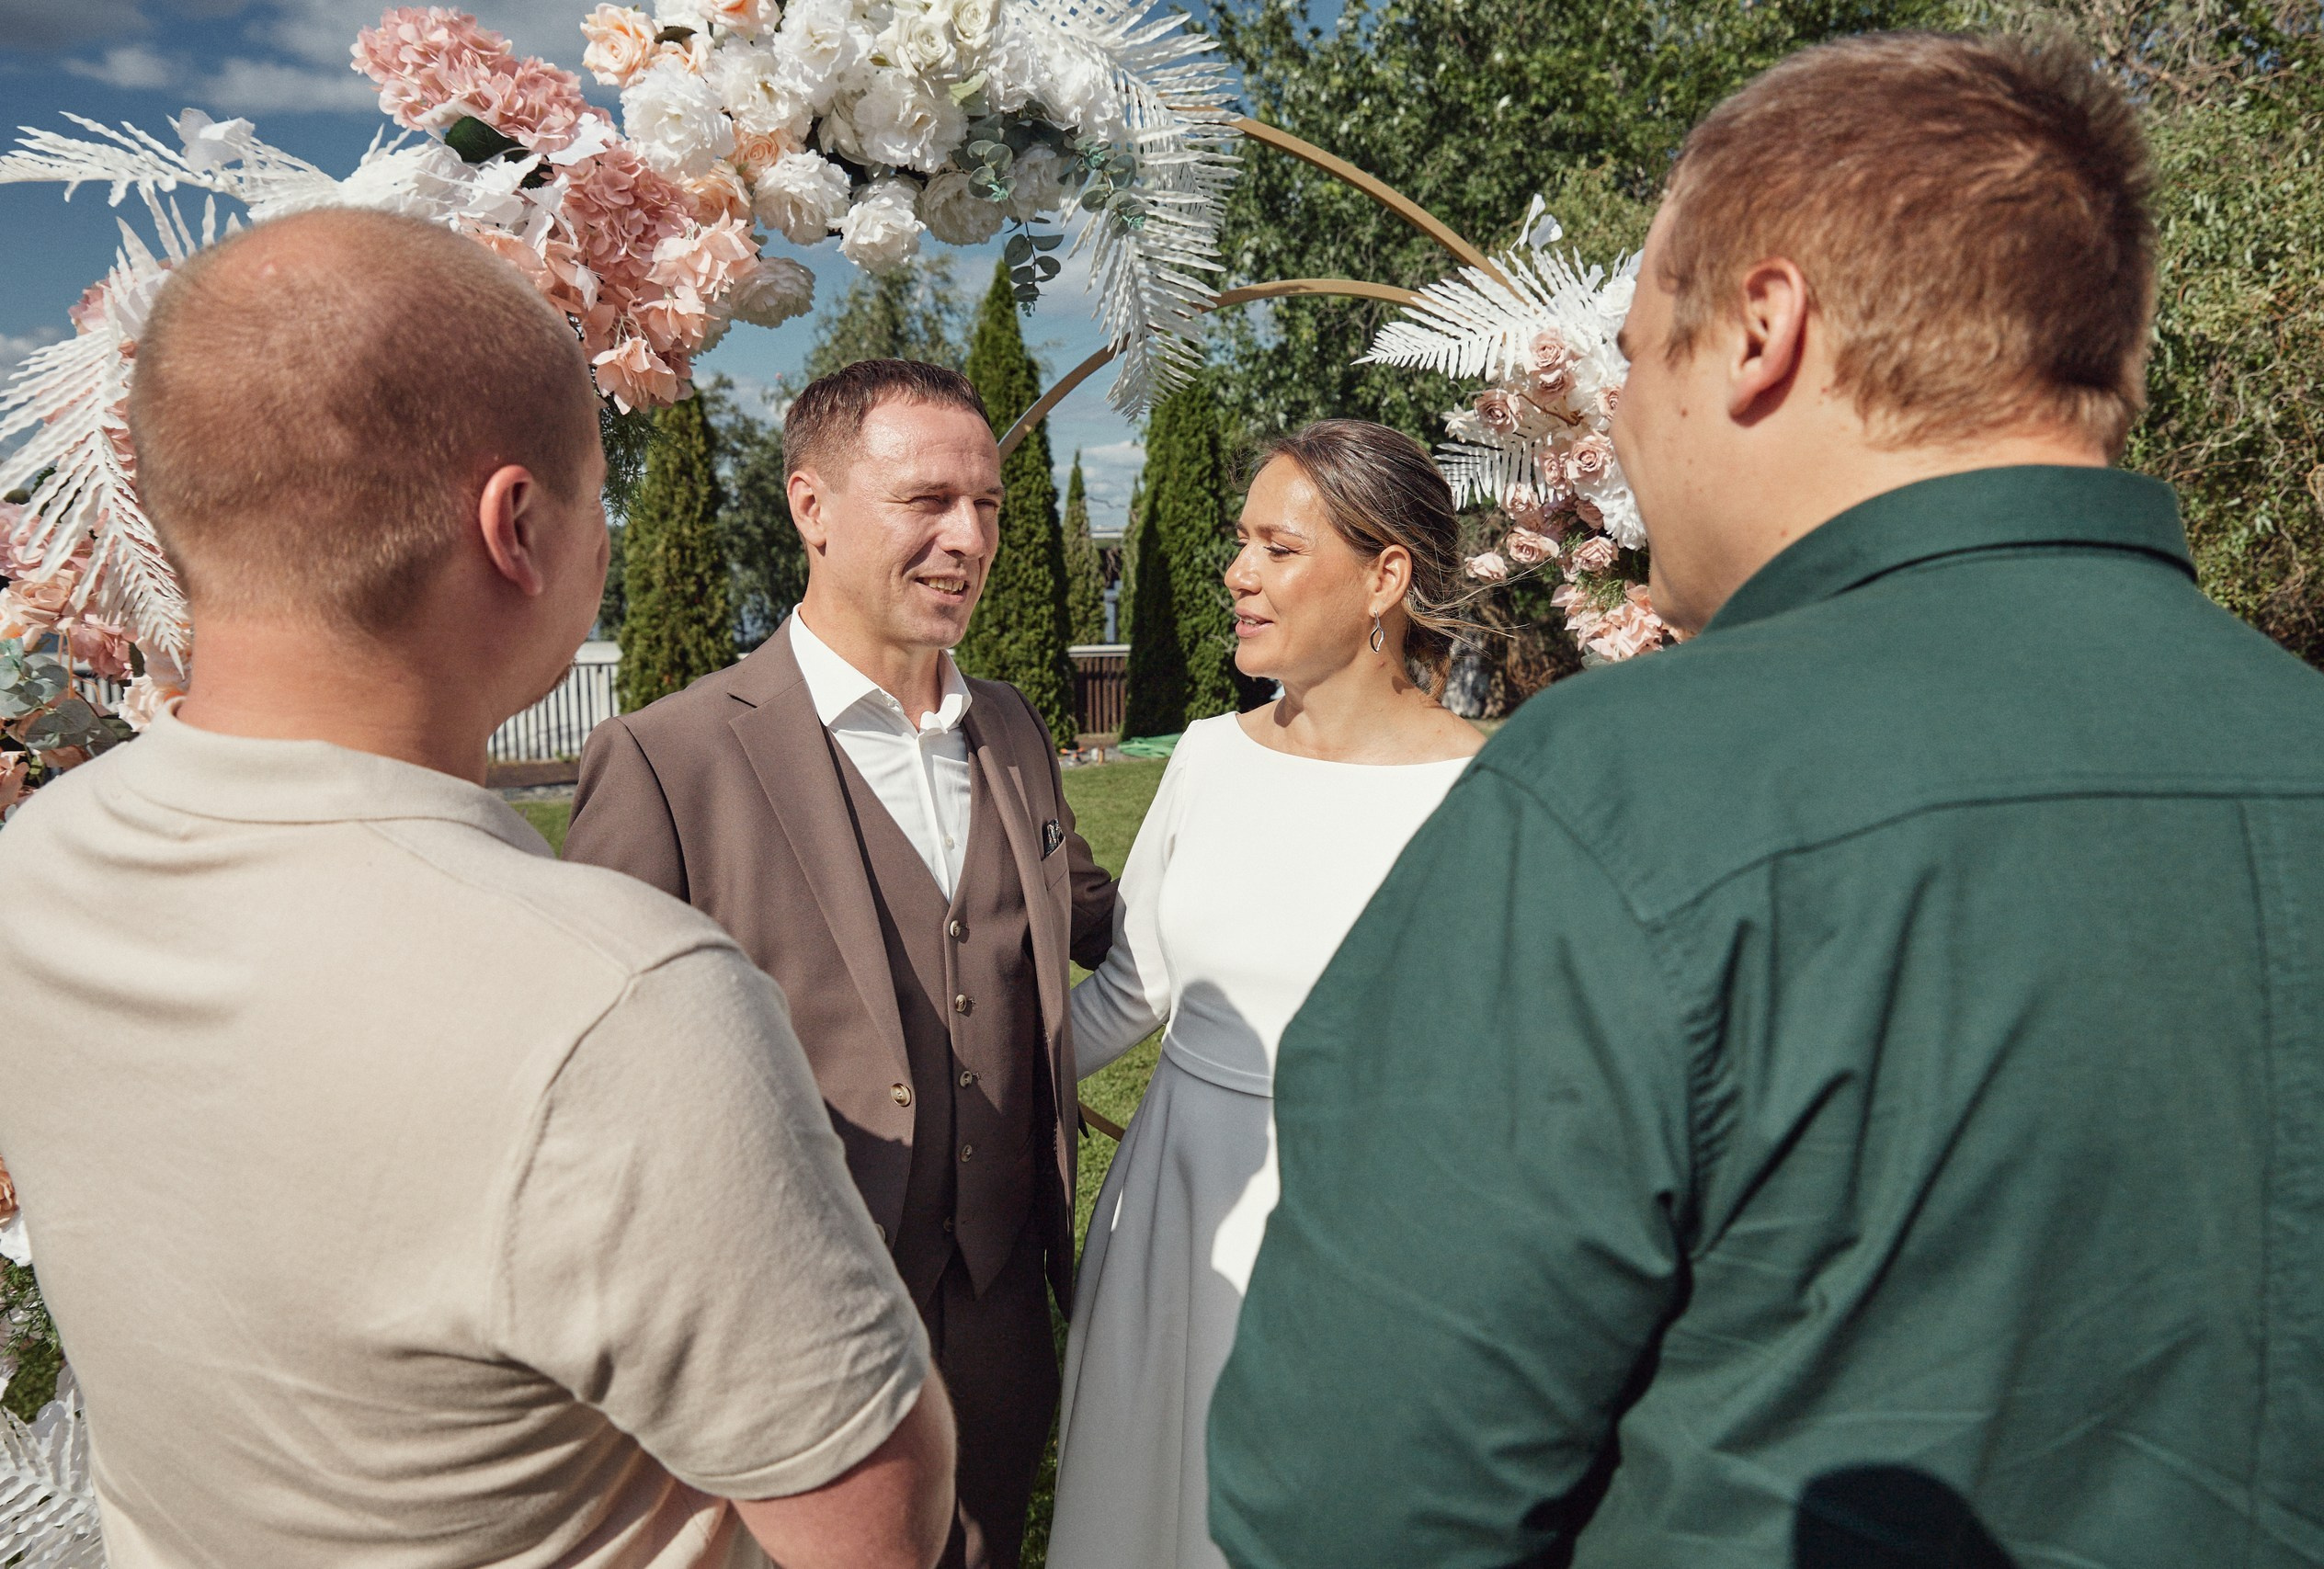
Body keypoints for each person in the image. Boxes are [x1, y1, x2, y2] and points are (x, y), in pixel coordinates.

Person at [1207, 32, 2324, 1567]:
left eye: (1630, 353)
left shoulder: (1618, 797)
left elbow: (1356, 1502)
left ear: (1762, 331)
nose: (1614, 418)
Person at [0, 210, 955, 1569]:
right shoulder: (613, 1000)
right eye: (595, 496)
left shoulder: (39, 860)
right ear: (517, 526)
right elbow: (866, 1517)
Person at [565, 358, 1118, 1569]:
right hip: (784, 1327)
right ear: (811, 507)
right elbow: (591, 1097)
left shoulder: (1016, 729)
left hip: (1001, 1316)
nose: (968, 538)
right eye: (927, 501)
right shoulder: (670, 759)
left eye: (988, 507)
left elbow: (1091, 915)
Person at [1046, 421, 1485, 1569]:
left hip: (1364, 1250)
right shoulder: (1203, 756)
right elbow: (1128, 995)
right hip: (1171, 1221)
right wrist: (935, 1083)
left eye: (1277, 548)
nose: (1237, 572)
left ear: (1385, 574)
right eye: (1240, 543)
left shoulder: (1492, 790)